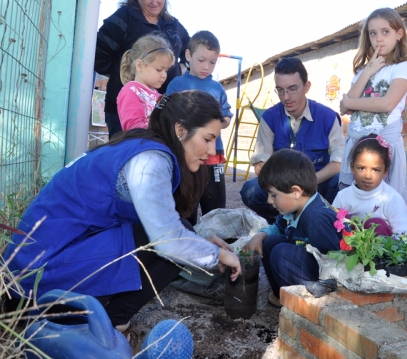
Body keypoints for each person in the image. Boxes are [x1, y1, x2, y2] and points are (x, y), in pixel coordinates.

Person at [4, 91, 241, 337]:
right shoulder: (151, 161)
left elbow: (157, 223)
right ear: (181, 130)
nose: (212, 150)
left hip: (31, 273)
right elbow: (168, 240)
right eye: (208, 138)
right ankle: (106, 325)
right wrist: (219, 256)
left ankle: (98, 317)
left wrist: (199, 242)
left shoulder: (139, 146)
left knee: (182, 232)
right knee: (174, 244)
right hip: (34, 286)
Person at [240, 57, 345, 223]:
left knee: (341, 181)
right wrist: (284, 187)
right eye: (280, 90)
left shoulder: (328, 117)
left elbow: (338, 163)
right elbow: (260, 165)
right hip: (283, 188)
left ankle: (322, 221)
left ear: (306, 86)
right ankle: (283, 223)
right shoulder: (269, 118)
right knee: (250, 190)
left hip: (318, 184)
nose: (286, 97)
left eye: (292, 89)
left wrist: (307, 184)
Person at [95, 0, 190, 138]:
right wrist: (123, 72)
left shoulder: (173, 24)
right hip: (123, 111)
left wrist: (183, 67)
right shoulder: (122, 19)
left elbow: (191, 50)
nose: (154, 2)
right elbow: (97, 55)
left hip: (166, 113)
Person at [242, 149, 341, 307]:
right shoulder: (292, 208)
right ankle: (281, 297)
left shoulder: (316, 219)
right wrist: (259, 236)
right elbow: (278, 228)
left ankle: (307, 306)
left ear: (296, 192)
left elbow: (334, 264)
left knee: (282, 253)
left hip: (326, 282)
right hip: (309, 266)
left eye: (273, 195)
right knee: (270, 242)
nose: (269, 200)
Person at [339, 7, 407, 205]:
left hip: (383, 148)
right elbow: (345, 110)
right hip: (357, 147)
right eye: (373, 33)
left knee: (385, 206)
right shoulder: (364, 71)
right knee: (352, 206)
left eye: (385, 32)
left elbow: (387, 103)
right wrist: (367, 72)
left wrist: (350, 102)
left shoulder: (402, 68)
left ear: (399, 34)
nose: (379, 38)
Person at [166, 31, 232, 217]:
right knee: (187, 205)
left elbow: (226, 117)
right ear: (188, 55)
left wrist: (217, 124)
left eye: (212, 62)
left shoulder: (217, 88)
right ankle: (189, 241)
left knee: (217, 208)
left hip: (213, 156)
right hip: (187, 157)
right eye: (201, 60)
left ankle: (219, 243)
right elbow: (168, 115)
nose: (206, 67)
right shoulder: (176, 85)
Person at [332, 134, 407, 236]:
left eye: (375, 170)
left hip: (382, 250)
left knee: (376, 225)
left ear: (385, 171)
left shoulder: (392, 199)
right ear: (352, 167)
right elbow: (332, 227)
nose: (367, 176)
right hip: (347, 249)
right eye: (361, 168)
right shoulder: (342, 197)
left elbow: (403, 235)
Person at [117, 34, 174, 130]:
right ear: (139, 65)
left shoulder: (158, 95)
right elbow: (133, 128)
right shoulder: (130, 91)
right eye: (159, 69)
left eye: (166, 70)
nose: (164, 75)